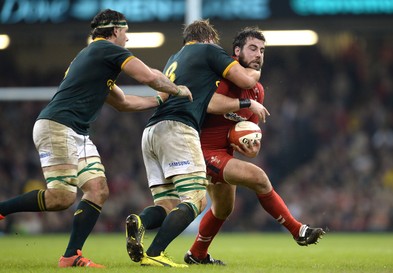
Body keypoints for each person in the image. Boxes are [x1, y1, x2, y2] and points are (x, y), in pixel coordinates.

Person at [0, 9, 192, 268]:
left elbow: (123, 103)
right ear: (115, 31)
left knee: (97, 190)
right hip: (59, 126)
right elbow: (148, 76)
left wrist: (159, 99)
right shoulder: (106, 50)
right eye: (125, 33)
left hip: (75, 131)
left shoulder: (97, 60)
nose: (127, 39)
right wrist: (177, 89)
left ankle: (71, 256)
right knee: (62, 198)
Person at [125, 19, 269, 268]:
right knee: (196, 199)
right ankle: (156, 251)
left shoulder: (174, 58)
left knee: (168, 205)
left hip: (151, 131)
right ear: (209, 38)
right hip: (179, 128)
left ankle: (140, 222)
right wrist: (254, 74)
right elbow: (246, 81)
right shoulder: (208, 50)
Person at [183, 27, 325, 265]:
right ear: (237, 51)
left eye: (262, 50)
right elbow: (209, 103)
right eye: (253, 48)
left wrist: (249, 144)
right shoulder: (223, 74)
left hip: (223, 153)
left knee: (224, 209)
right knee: (258, 177)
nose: (259, 54)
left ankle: (196, 255)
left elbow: (251, 138)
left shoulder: (257, 90)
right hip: (201, 149)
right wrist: (244, 103)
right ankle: (298, 230)